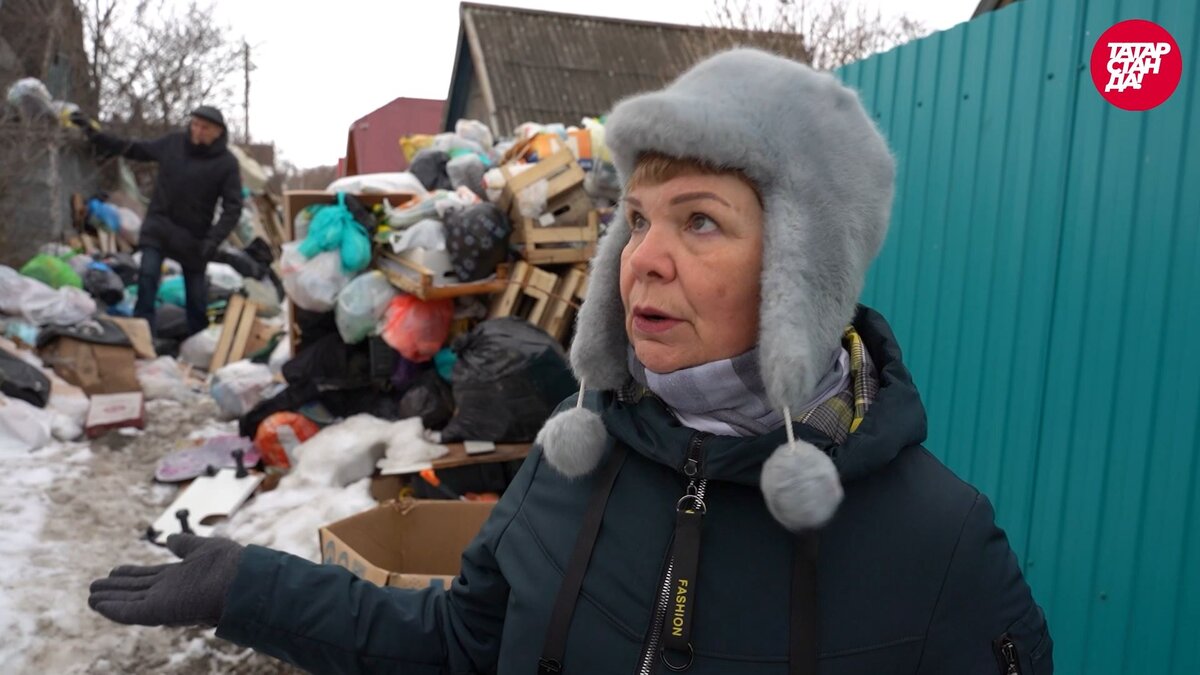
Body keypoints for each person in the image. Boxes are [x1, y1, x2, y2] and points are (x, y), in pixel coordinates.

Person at [87, 50, 1053, 673]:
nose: (646, 257)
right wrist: (251, 586)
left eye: (701, 220)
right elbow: (462, 647)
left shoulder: (938, 545)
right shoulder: (570, 462)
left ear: (809, 267)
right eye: (636, 219)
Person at [73, 106, 243, 336]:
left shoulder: (226, 164)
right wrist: (94, 134)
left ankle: (196, 342)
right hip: (159, 227)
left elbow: (233, 208)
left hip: (194, 238)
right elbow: (133, 148)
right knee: (147, 277)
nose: (197, 131)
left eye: (205, 128)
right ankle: (142, 335)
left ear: (218, 132)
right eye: (195, 124)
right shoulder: (173, 144)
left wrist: (213, 240)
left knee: (196, 297)